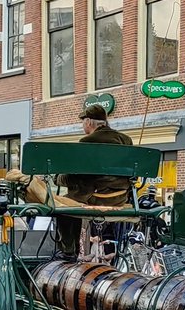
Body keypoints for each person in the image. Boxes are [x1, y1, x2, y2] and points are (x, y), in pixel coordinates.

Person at [54, 104, 134, 259]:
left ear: (89, 122)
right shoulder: (126, 140)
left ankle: (70, 251)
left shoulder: (87, 142)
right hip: (120, 197)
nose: (82, 125)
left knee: (64, 206)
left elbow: (78, 178)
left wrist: (58, 179)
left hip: (96, 198)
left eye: (83, 121)